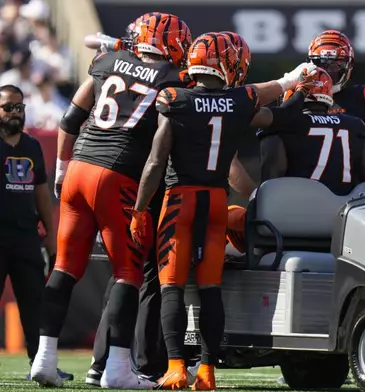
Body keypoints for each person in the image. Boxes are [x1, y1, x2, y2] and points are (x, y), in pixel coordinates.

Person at [129, 32, 317, 390]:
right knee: (209, 288)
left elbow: (155, 162)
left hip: (180, 201)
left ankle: (175, 367)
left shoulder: (175, 99)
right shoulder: (239, 100)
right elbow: (272, 105)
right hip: (216, 202)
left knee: (171, 287)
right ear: (229, 64)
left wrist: (139, 209)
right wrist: (296, 82)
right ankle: (206, 371)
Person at [29, 13, 193, 389]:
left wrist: (60, 170)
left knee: (64, 268)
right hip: (117, 174)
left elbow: (70, 120)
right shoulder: (174, 78)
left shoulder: (105, 63)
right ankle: (118, 369)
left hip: (78, 168)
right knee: (128, 272)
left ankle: (44, 359)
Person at [225, 68, 365, 256]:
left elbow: (271, 181)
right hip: (340, 227)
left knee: (229, 215)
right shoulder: (354, 125)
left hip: (287, 227)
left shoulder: (282, 125)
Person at [0, 84, 72, 381]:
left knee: (35, 304)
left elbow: (42, 194)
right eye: (8, 107)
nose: (14, 113)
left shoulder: (31, 146)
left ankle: (40, 363)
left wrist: (52, 238)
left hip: (27, 236)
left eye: (19, 107)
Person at [306, 30, 365, 122]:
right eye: (322, 64)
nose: (327, 73)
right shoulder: (299, 95)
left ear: (349, 65)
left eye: (334, 66)